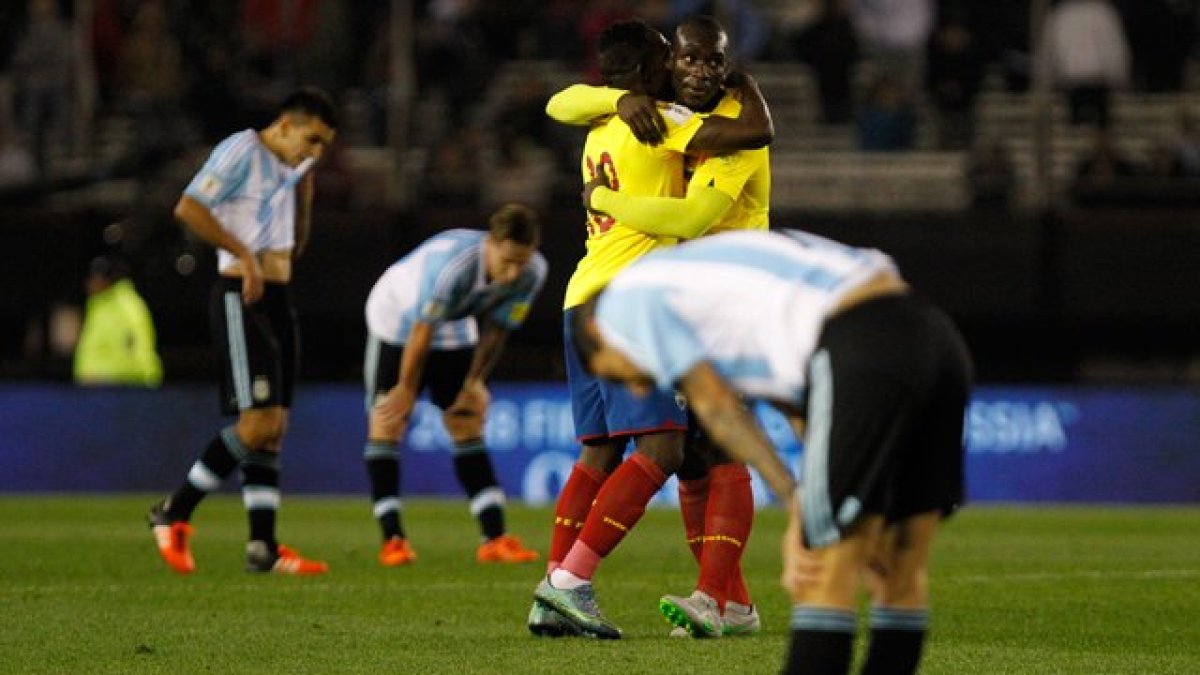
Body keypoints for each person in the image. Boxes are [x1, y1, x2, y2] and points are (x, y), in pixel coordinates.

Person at [573, 229, 972, 674]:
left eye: (619, 372)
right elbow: (801, 405)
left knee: (822, 570)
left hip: (859, 339)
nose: (637, 385)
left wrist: (796, 500)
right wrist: (824, 482)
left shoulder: (622, 300)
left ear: (596, 331)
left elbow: (717, 408)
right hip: (933, 336)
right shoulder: (717, 303)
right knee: (900, 568)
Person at [531, 18, 771, 640]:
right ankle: (567, 585)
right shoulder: (662, 121)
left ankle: (719, 599)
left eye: (708, 62)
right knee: (675, 450)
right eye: (677, 58)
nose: (688, 71)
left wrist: (602, 195)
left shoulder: (598, 124)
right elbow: (740, 145)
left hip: (588, 296)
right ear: (656, 68)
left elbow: (560, 101)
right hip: (632, 301)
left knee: (643, 451)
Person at [146, 87, 338, 576]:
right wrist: (245, 255)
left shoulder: (292, 169)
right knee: (256, 425)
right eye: (312, 140)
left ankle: (263, 548)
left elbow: (294, 246)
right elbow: (188, 208)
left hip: (277, 298)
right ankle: (173, 512)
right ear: (285, 124)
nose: (315, 153)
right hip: (240, 293)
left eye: (323, 147)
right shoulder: (241, 150)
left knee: (274, 429)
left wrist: (304, 192)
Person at [362, 203, 546, 567]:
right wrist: (405, 388)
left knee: (466, 416)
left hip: (456, 320)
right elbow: (421, 330)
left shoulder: (533, 272)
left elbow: (498, 330)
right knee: (388, 420)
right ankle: (393, 540)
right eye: (506, 261)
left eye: (520, 263)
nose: (512, 274)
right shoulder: (452, 268)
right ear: (490, 244)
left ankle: (494, 539)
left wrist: (473, 381)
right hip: (397, 319)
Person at [73, 254, 163, 387]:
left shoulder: (126, 307)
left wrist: (100, 376)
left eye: (96, 278)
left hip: (120, 390)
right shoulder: (98, 305)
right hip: (95, 391)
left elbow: (135, 355)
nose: (90, 283)